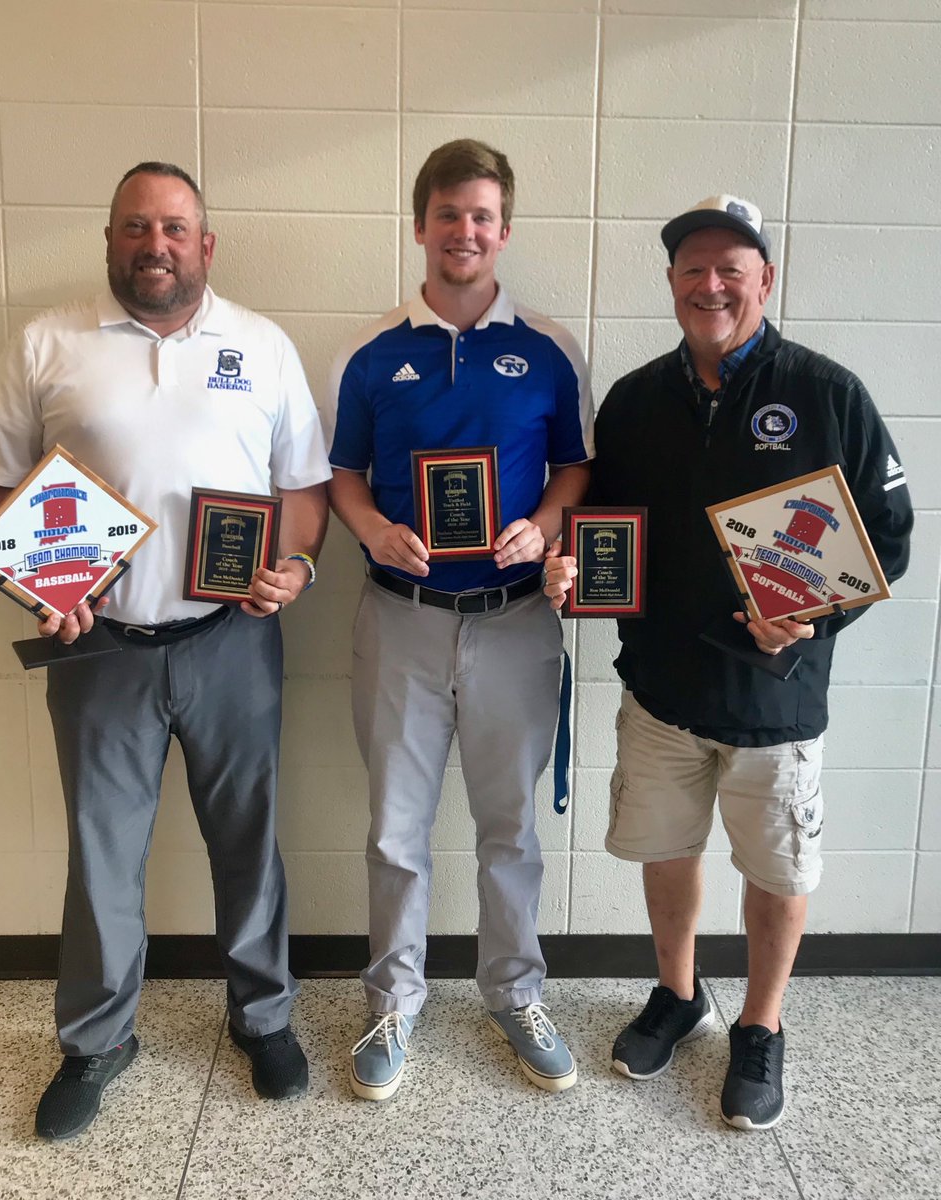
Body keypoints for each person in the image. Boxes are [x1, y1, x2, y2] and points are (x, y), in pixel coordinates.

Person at [0, 162, 331, 1140]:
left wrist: (293, 565)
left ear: (205, 245)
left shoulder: (261, 344)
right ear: (111, 240)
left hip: (232, 642)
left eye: (174, 228)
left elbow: (303, 485)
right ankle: (95, 1040)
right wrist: (40, 582)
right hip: (101, 653)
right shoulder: (50, 341)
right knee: (102, 850)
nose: (155, 244)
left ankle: (263, 1017)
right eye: (136, 227)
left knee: (248, 837)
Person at [544, 195, 913, 1131]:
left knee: (777, 869)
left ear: (763, 281)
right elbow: (605, 530)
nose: (710, 285)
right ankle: (677, 994)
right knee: (665, 851)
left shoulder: (828, 394)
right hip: (661, 687)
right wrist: (569, 568)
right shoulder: (634, 400)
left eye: (729, 270)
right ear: (672, 283)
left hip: (773, 694)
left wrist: (811, 619)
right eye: (691, 270)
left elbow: (887, 536)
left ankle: (760, 1023)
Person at [325, 139, 594, 1100]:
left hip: (515, 619)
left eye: (482, 216)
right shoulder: (371, 350)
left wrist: (544, 524)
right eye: (448, 215)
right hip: (399, 615)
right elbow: (343, 477)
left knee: (508, 828)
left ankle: (513, 992)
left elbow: (574, 466)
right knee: (395, 831)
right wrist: (370, 532)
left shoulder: (551, 347)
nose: (464, 231)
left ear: (504, 230)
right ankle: (392, 1000)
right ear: (420, 227)